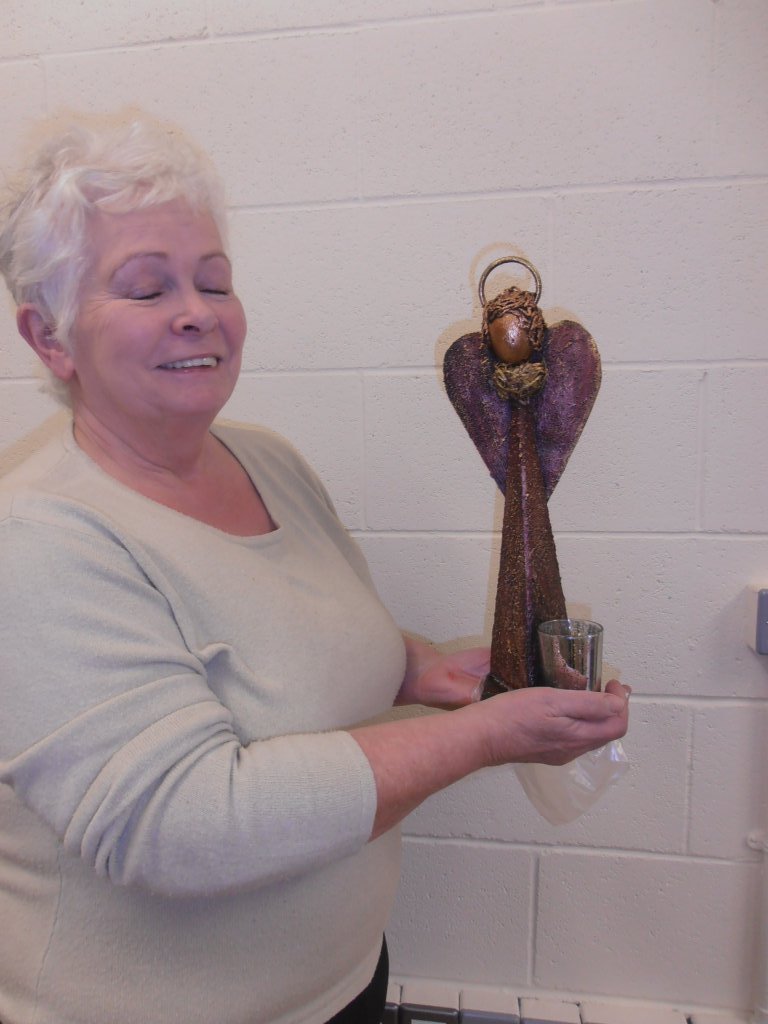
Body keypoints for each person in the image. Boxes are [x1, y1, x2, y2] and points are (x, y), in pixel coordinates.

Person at [0, 111, 630, 1024]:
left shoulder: (267, 461)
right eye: (146, 288)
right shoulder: (35, 540)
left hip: (344, 986)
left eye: (214, 280)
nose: (197, 310)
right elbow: (180, 827)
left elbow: (283, 636)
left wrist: (421, 668)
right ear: (49, 336)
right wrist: (487, 737)